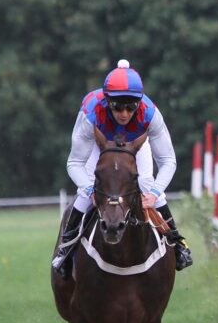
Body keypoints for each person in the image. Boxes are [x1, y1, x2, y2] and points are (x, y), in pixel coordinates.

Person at [51, 60, 193, 278]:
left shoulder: (150, 114)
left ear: (139, 104)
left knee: (146, 183)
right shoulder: (91, 113)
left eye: (130, 107)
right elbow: (74, 163)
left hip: (135, 144)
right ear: (107, 102)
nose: (124, 114)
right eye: (117, 107)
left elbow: (167, 160)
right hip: (101, 144)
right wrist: (91, 190)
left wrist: (154, 194)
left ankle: (178, 243)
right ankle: (66, 249)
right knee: (87, 191)